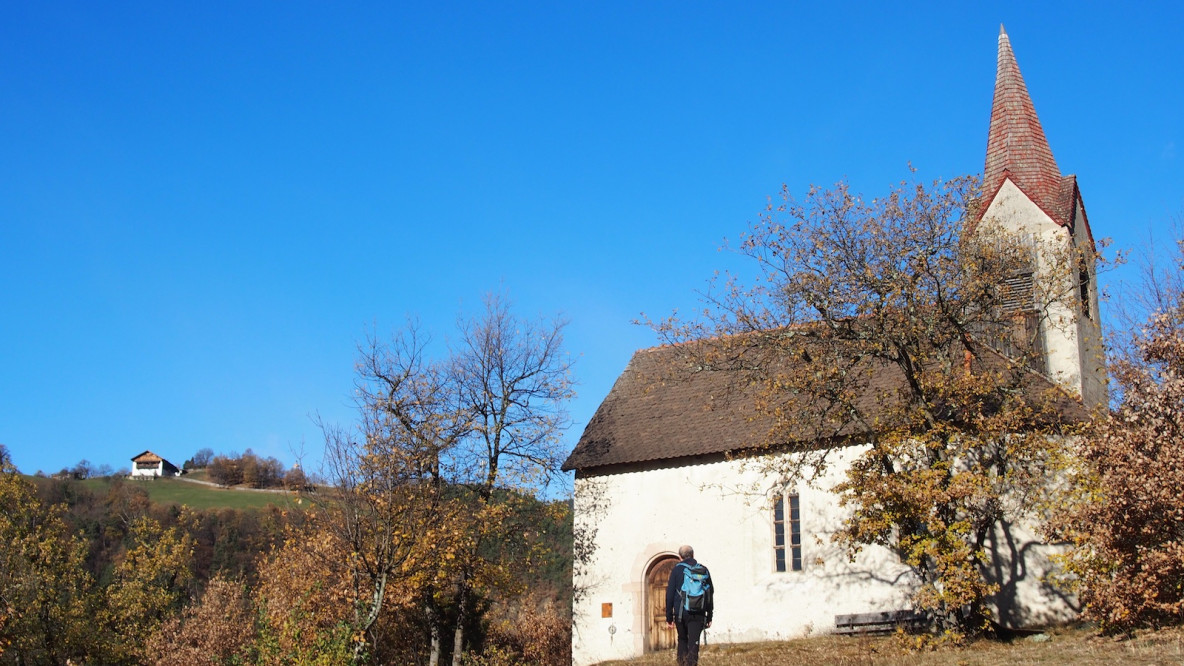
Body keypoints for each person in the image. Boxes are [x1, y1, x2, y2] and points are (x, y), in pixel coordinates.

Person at [665, 544, 713, 666]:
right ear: (693, 555)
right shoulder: (703, 570)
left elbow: (669, 594)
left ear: (680, 557)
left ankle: (682, 664)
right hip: (698, 613)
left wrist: (669, 617)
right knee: (694, 642)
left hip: (681, 613)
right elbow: (709, 592)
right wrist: (709, 615)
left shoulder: (676, 570)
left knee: (682, 640)